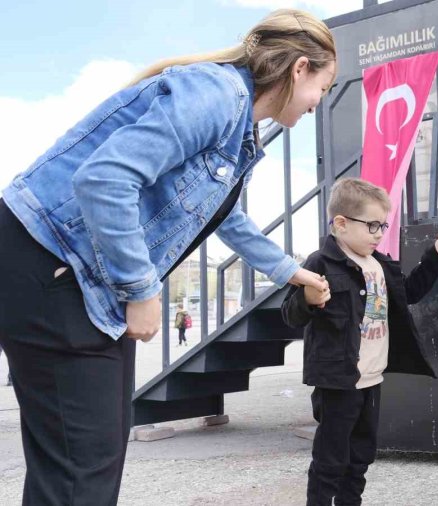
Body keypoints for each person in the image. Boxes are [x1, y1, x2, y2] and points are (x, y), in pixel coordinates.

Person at [0, 9, 333, 505]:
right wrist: (142, 289)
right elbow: (105, 178)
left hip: (82, 279)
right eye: (323, 90)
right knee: (80, 472)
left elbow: (229, 219)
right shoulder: (218, 94)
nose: (317, 105)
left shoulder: (240, 132)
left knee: (92, 459)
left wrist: (294, 272)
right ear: (300, 69)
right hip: (50, 263)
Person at [281, 178, 438, 506]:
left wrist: (434, 256)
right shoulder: (320, 263)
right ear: (341, 224)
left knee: (361, 455)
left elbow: (411, 292)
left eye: (382, 226)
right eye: (372, 225)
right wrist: (308, 297)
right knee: (330, 458)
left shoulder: (381, 264)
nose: (379, 233)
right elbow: (290, 315)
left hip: (372, 378)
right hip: (339, 381)